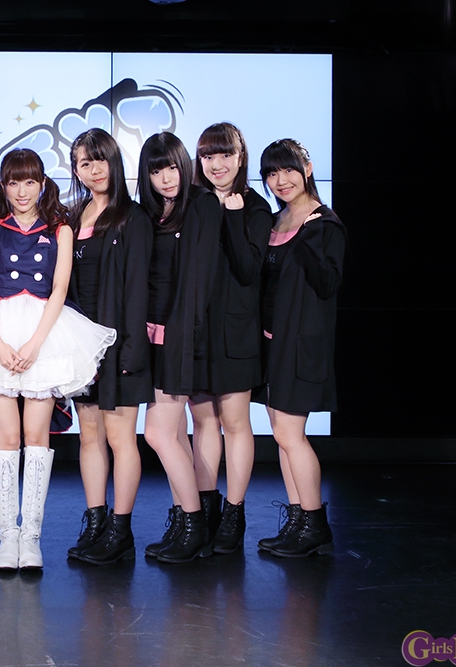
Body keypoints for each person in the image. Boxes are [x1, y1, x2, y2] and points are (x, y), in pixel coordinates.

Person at [0, 148, 116, 570]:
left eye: (29, 182)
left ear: (42, 183)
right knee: (6, 439)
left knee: (36, 437)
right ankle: (8, 538)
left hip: (46, 333)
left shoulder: (59, 229)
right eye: (13, 182)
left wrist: (36, 344)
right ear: (3, 186)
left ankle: (32, 538)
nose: (22, 191)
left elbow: (59, 289)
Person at [65, 128, 153, 565]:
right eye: (85, 162)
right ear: (76, 170)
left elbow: (137, 290)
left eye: (99, 159)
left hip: (121, 346)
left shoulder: (133, 218)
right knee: (90, 437)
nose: (94, 169)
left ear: (114, 161)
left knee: (121, 439)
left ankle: (121, 530)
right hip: (81, 346)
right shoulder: (72, 216)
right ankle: (96, 521)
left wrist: (132, 352)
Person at [256, 139, 344, 558]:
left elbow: (328, 284)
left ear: (307, 168)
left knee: (291, 435)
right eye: (272, 173)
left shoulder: (325, 225)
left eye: (288, 169)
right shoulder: (275, 221)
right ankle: (298, 521)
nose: (281, 180)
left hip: (300, 347)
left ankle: (314, 524)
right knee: (281, 435)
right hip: (271, 345)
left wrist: (307, 236)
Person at [138, 132, 223, 564]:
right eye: (156, 171)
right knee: (171, 434)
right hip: (151, 334)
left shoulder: (202, 204)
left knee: (156, 433)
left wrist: (181, 336)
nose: (166, 178)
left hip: (181, 335)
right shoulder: (153, 211)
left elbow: (199, 279)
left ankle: (194, 523)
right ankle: (185, 522)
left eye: (171, 167)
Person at [191, 122, 273, 554]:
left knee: (235, 423)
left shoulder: (256, 208)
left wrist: (234, 215)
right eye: (208, 156)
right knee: (202, 421)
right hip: (196, 330)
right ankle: (205, 508)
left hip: (237, 331)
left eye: (225, 155)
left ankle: (234, 513)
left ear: (241, 158)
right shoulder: (194, 202)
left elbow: (247, 269)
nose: (217, 164)